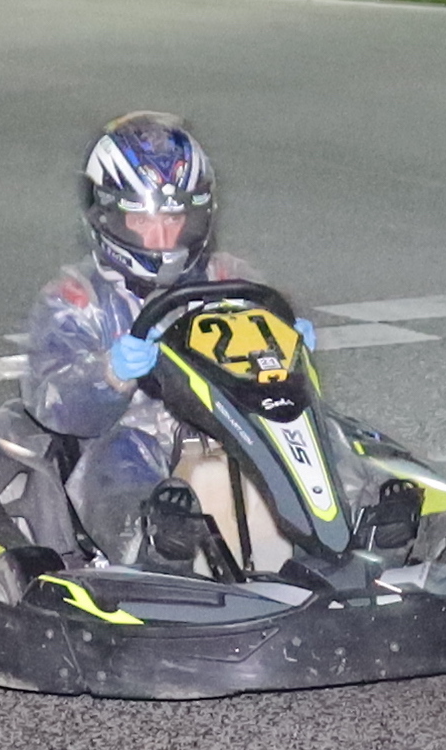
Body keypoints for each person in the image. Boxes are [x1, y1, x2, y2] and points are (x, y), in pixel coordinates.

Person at [21, 112, 300, 565]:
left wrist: (291, 348)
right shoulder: (76, 299)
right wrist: (110, 374)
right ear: (107, 216)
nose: (163, 237)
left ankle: (366, 520)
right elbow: (52, 403)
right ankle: (155, 545)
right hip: (133, 439)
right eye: (143, 221)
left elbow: (274, 372)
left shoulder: (230, 279)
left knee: (320, 434)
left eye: (175, 219)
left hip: (236, 431)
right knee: (120, 459)